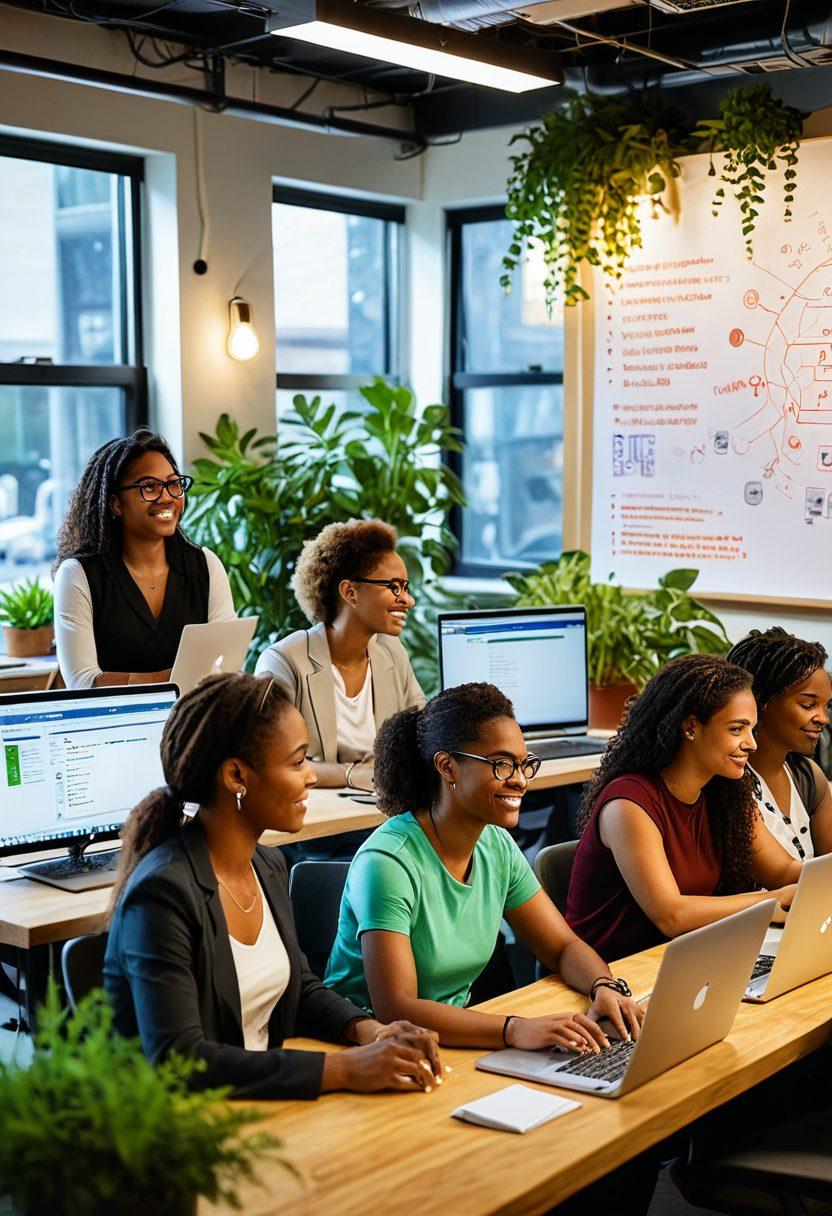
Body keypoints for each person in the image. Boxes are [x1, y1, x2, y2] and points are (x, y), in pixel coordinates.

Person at [104, 673, 443, 1101]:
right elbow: (181, 1059)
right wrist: (341, 1070)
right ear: (236, 775)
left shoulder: (266, 864)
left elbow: (299, 986)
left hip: (259, 1107)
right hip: (177, 1134)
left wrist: (371, 1031)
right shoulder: (163, 894)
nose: (312, 777)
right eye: (298, 762)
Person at [325, 682, 644, 1051]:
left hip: (453, 1037)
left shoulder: (495, 846)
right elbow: (396, 1007)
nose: (521, 780)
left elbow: (562, 947)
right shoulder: (388, 862)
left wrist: (603, 986)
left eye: (524, 764)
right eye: (501, 764)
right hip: (371, 1047)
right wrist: (514, 1030)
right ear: (447, 767)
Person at [566, 654, 801, 963]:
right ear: (691, 727)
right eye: (736, 730)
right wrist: (767, 902)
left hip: (682, 962)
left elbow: (783, 872)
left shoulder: (724, 792)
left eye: (752, 730)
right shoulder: (628, 803)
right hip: (611, 978)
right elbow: (671, 915)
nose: (751, 744)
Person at [53, 429, 236, 689]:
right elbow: (83, 682)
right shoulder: (78, 574)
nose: (167, 497)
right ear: (116, 504)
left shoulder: (205, 566)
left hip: (194, 725)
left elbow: (225, 667)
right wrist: (180, 678)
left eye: (173, 484)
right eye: (149, 487)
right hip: (114, 726)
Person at [255, 518, 424, 792]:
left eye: (406, 588)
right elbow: (268, 760)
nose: (407, 600)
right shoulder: (284, 662)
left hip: (381, 810)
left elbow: (422, 735)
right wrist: (350, 774)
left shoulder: (392, 653)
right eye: (393, 586)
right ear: (350, 592)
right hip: (315, 819)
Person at [727, 627, 832, 860]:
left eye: (827, 706)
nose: (823, 718)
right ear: (761, 699)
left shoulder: (807, 776)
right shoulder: (728, 778)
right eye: (808, 705)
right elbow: (782, 875)